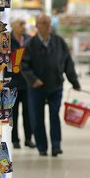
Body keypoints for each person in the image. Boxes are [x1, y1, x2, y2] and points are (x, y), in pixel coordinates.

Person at [22, 13, 81, 157]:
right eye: (43, 23)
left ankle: (56, 145)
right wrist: (33, 79)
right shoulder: (30, 44)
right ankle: (42, 147)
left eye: (48, 22)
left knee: (55, 115)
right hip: (36, 87)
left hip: (55, 85)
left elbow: (68, 63)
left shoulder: (59, 42)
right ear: (36, 26)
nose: (47, 25)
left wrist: (74, 81)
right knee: (37, 117)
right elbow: (23, 65)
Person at [9, 19, 35, 150]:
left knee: (28, 113)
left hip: (27, 82)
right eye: (21, 24)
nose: (23, 27)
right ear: (13, 26)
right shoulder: (7, 40)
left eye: (24, 24)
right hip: (12, 82)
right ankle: (15, 140)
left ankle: (28, 139)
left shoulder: (29, 39)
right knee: (13, 114)